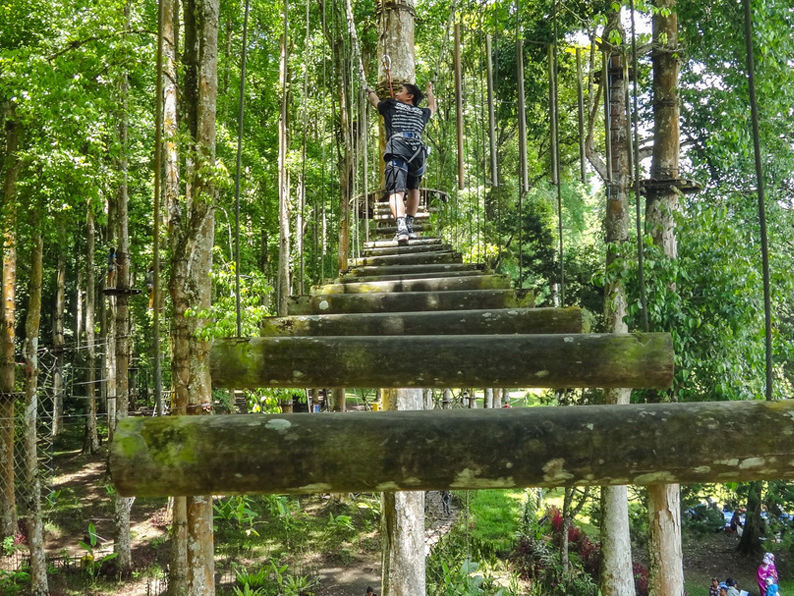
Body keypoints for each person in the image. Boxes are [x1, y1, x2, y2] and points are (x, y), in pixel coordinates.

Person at [366, 81, 436, 244]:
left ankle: (402, 228)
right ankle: (409, 225)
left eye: (400, 91)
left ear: (409, 96)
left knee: (396, 192)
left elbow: (375, 102)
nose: (396, 94)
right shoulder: (422, 112)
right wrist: (430, 92)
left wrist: (369, 90)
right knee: (413, 188)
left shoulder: (391, 105)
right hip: (417, 152)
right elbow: (432, 107)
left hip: (398, 148)